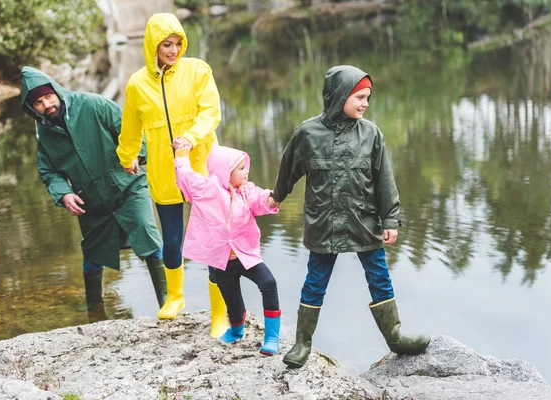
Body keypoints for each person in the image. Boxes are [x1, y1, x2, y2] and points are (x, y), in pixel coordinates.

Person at [268, 65, 431, 368]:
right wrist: (276, 196)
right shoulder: (307, 133)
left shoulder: (371, 134)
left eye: (368, 98)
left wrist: (391, 220)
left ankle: (395, 337)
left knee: (379, 277)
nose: (365, 103)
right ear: (339, 95)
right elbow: (288, 167)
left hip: (364, 220)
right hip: (323, 222)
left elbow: (385, 180)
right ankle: (303, 342)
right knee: (315, 281)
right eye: (359, 97)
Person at [20, 66, 167, 321]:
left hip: (127, 187)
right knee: (93, 254)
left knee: (148, 236)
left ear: (56, 91)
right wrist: (64, 194)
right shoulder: (44, 134)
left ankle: (167, 303)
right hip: (90, 201)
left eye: (48, 97)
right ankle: (95, 314)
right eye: (38, 102)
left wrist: (135, 155)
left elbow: (131, 130)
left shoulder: (93, 104)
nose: (46, 104)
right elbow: (49, 172)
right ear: (32, 107)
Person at [116, 13, 229, 335]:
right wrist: (127, 156)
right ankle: (175, 297)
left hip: (201, 163)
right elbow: (131, 125)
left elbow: (211, 112)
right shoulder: (138, 83)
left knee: (211, 237)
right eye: (167, 44)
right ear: (153, 44)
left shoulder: (197, 70)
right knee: (172, 237)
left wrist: (191, 137)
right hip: (164, 170)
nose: (174, 49)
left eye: (178, 43)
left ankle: (219, 311)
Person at [174, 144, 281, 355]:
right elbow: (186, 176)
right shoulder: (207, 189)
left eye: (245, 167)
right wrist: (181, 155)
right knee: (233, 304)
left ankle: (271, 337)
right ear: (225, 171)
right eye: (241, 168)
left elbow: (260, 200)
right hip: (221, 259)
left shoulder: (246, 190)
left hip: (245, 255)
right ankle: (236, 330)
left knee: (269, 284)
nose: (246, 171)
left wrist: (273, 197)